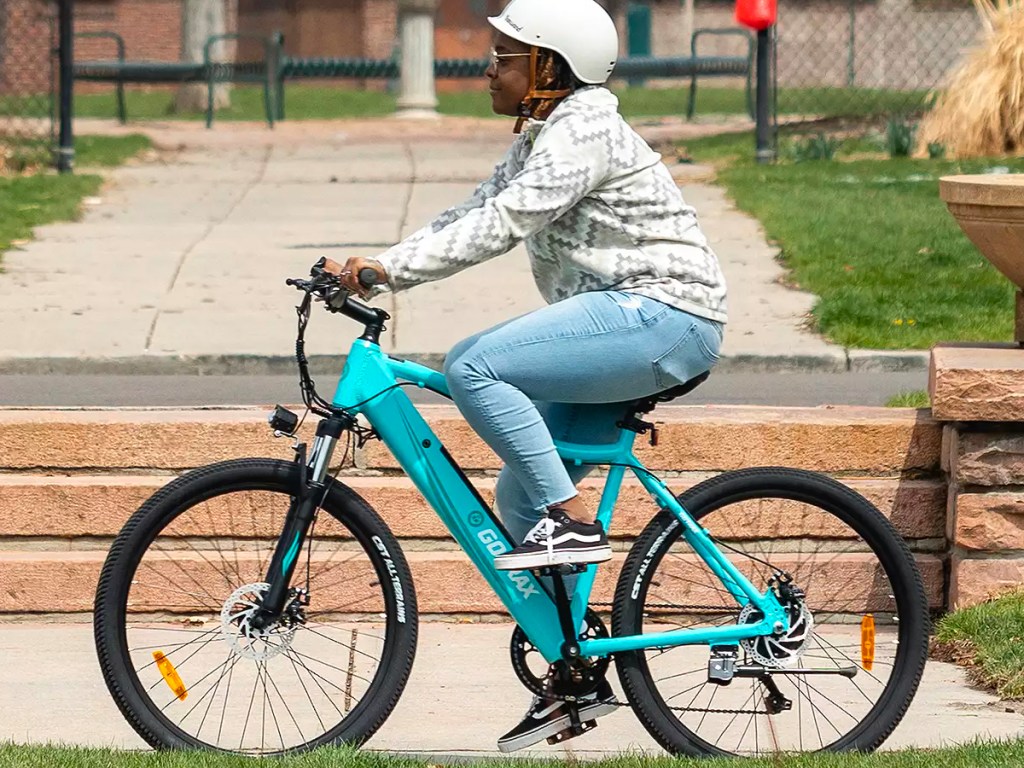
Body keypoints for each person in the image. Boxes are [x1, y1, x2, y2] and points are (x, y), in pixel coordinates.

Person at [325, 0, 727, 750]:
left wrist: (390, 272)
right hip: (628, 319)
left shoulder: (583, 132)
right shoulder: (551, 131)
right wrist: (374, 264)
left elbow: (504, 224)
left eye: (505, 56)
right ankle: (572, 675)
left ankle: (573, 521)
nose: (489, 68)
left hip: (662, 314)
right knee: (520, 491)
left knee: (476, 365)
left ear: (549, 67)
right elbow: (474, 209)